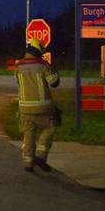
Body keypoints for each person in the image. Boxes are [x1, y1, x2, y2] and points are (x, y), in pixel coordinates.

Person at [14, 38, 61, 172]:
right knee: (51, 127)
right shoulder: (43, 65)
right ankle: (40, 156)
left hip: (24, 109)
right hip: (43, 107)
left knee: (28, 135)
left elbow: (18, 82)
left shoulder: (18, 67)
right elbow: (54, 82)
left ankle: (28, 164)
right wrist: (54, 69)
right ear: (38, 50)